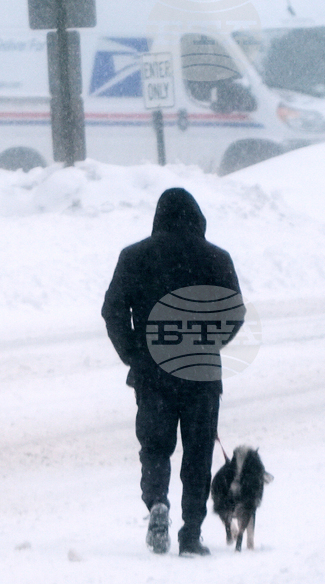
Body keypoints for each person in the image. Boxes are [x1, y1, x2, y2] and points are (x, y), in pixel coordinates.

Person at [102, 188, 241, 556]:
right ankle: (191, 533)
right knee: (198, 454)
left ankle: (157, 502)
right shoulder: (216, 258)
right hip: (201, 373)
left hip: (153, 373)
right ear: (197, 218)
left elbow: (112, 309)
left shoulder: (134, 256)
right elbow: (234, 312)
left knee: (155, 447)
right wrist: (208, 343)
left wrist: (133, 352)